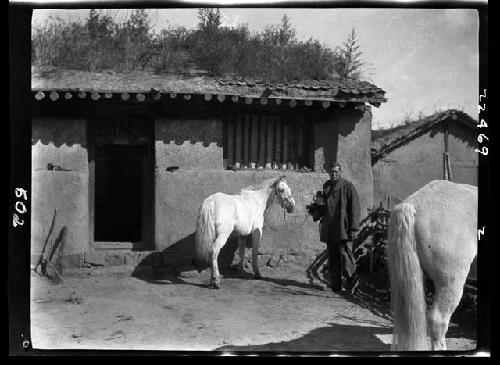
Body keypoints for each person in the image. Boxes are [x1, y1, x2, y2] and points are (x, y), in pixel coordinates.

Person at [320, 162, 361, 294]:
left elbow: (355, 208)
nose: (334, 174)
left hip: (343, 228)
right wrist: (316, 211)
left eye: (336, 172)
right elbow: (323, 206)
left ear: (341, 171)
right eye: (331, 172)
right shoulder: (327, 186)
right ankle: (336, 286)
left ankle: (353, 287)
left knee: (345, 256)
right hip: (330, 228)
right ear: (328, 173)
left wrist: (354, 228)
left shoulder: (348, 187)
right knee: (333, 257)